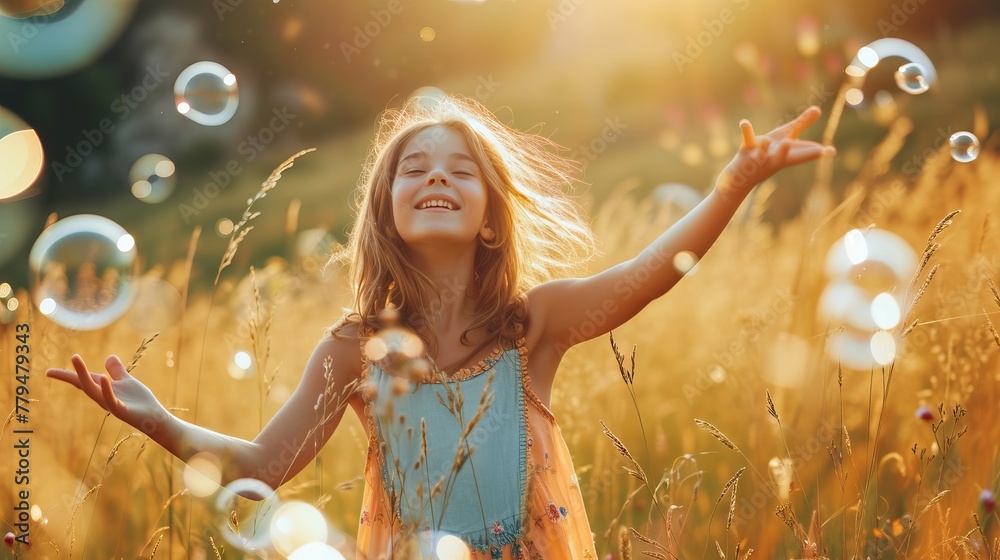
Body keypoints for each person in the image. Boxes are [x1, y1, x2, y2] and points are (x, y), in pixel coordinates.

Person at [46, 94, 834, 559]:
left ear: (491, 218)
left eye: (460, 170)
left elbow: (648, 277)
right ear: (385, 214)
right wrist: (157, 421)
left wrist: (731, 185)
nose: (436, 178)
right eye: (414, 169)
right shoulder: (352, 349)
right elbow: (262, 466)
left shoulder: (535, 325)